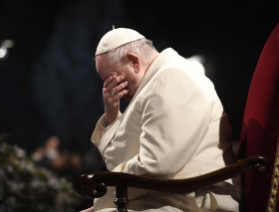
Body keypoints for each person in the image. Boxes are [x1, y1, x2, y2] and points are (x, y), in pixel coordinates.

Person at [85, 28, 241, 212]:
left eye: (114, 81)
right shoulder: (155, 82)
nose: (116, 91)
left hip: (193, 201)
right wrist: (112, 116)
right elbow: (119, 161)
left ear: (133, 61)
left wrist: (103, 190)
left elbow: (156, 165)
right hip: (167, 196)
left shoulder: (173, 77)